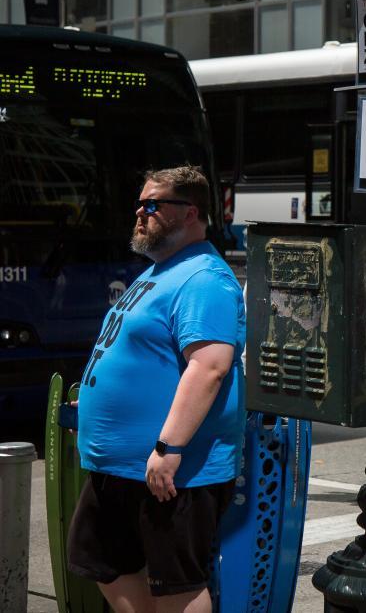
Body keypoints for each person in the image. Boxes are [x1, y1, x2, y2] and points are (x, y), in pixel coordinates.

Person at [68, 166, 245, 613]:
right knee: (101, 560)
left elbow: (209, 367)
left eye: (152, 205)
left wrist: (169, 447)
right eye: (140, 204)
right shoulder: (159, 272)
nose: (140, 213)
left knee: (177, 584)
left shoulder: (204, 278)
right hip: (122, 465)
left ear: (190, 213)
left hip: (171, 469)